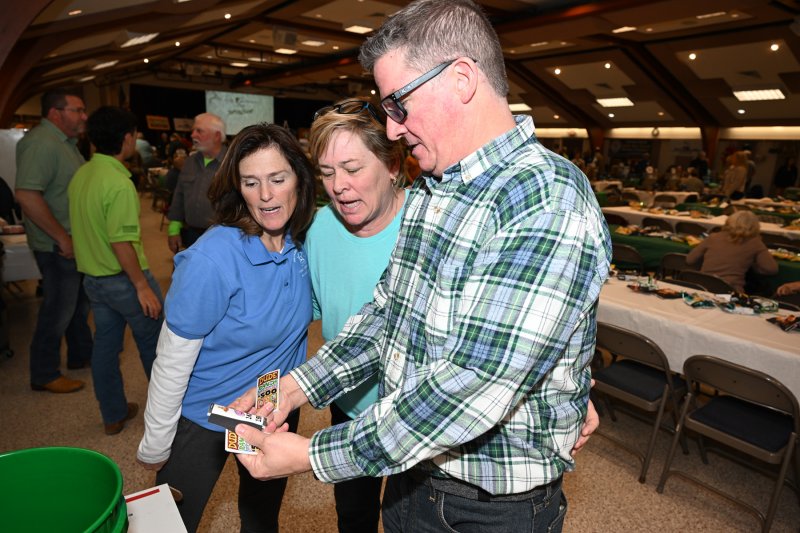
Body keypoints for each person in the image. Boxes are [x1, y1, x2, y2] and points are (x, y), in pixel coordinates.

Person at [233, 2, 611, 532]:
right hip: (411, 474)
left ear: (461, 79)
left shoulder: (545, 200)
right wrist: (293, 389)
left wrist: (310, 454)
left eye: (399, 104)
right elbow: (386, 316)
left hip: (488, 507)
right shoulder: (435, 189)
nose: (391, 129)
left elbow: (471, 386)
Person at [136, 123, 317, 533]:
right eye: (251, 182)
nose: (266, 195)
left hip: (271, 402)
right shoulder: (211, 259)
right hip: (208, 412)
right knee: (169, 523)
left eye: (277, 179)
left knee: (261, 515)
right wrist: (157, 441)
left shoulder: (302, 242)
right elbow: (172, 359)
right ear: (238, 188)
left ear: (299, 180)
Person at [306, 98, 407, 533]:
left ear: (392, 165)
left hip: (413, 410)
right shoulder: (320, 227)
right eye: (327, 173)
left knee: (408, 518)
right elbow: (308, 309)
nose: (338, 187)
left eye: (352, 168)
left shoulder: (426, 225)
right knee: (353, 515)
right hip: (348, 404)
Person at [68, 106, 164, 435]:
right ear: (127, 138)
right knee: (156, 347)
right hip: (125, 280)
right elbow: (121, 242)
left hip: (94, 281)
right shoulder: (118, 183)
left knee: (106, 347)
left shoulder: (82, 175)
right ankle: (167, 419)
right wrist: (142, 286)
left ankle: (113, 414)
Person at [15, 87, 93, 393]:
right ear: (55, 113)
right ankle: (44, 373)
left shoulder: (66, 144)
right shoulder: (42, 143)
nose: (84, 116)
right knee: (58, 309)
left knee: (77, 304)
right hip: (56, 244)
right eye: (78, 110)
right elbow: (26, 195)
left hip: (69, 241)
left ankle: (80, 355)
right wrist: (62, 237)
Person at [166, 112, 226, 253]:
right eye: (193, 131)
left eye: (199, 131)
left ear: (217, 136)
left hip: (223, 239)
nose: (193, 135)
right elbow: (179, 196)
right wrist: (173, 229)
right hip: (191, 235)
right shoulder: (189, 162)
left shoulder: (233, 164)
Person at [686, 210, 778, 293]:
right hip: (730, 292)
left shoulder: (713, 237)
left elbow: (690, 260)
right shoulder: (755, 242)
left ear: (729, 222)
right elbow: (771, 269)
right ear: (755, 227)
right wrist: (754, 266)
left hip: (702, 287)